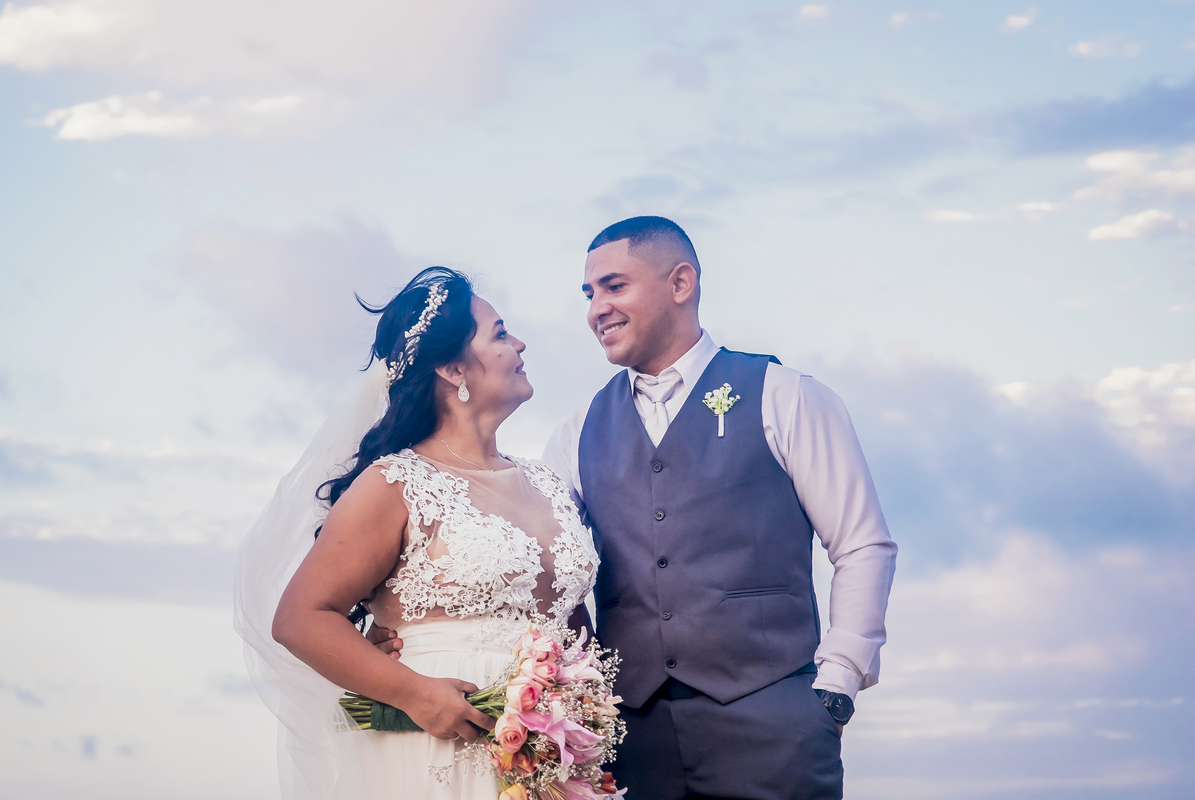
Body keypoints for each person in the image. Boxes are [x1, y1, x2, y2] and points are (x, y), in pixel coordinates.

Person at [540, 216, 898, 800]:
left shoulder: (786, 395)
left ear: (681, 284)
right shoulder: (576, 433)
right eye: (589, 293)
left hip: (773, 729)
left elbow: (862, 544)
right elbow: (549, 578)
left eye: (614, 286)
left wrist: (837, 685)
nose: (595, 309)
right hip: (633, 740)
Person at [234, 267, 599, 800]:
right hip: (436, 749)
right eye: (499, 333)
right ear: (452, 367)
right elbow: (299, 619)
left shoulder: (547, 482)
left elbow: (571, 620)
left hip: (552, 762)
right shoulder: (394, 484)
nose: (519, 342)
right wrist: (416, 694)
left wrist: (584, 705)